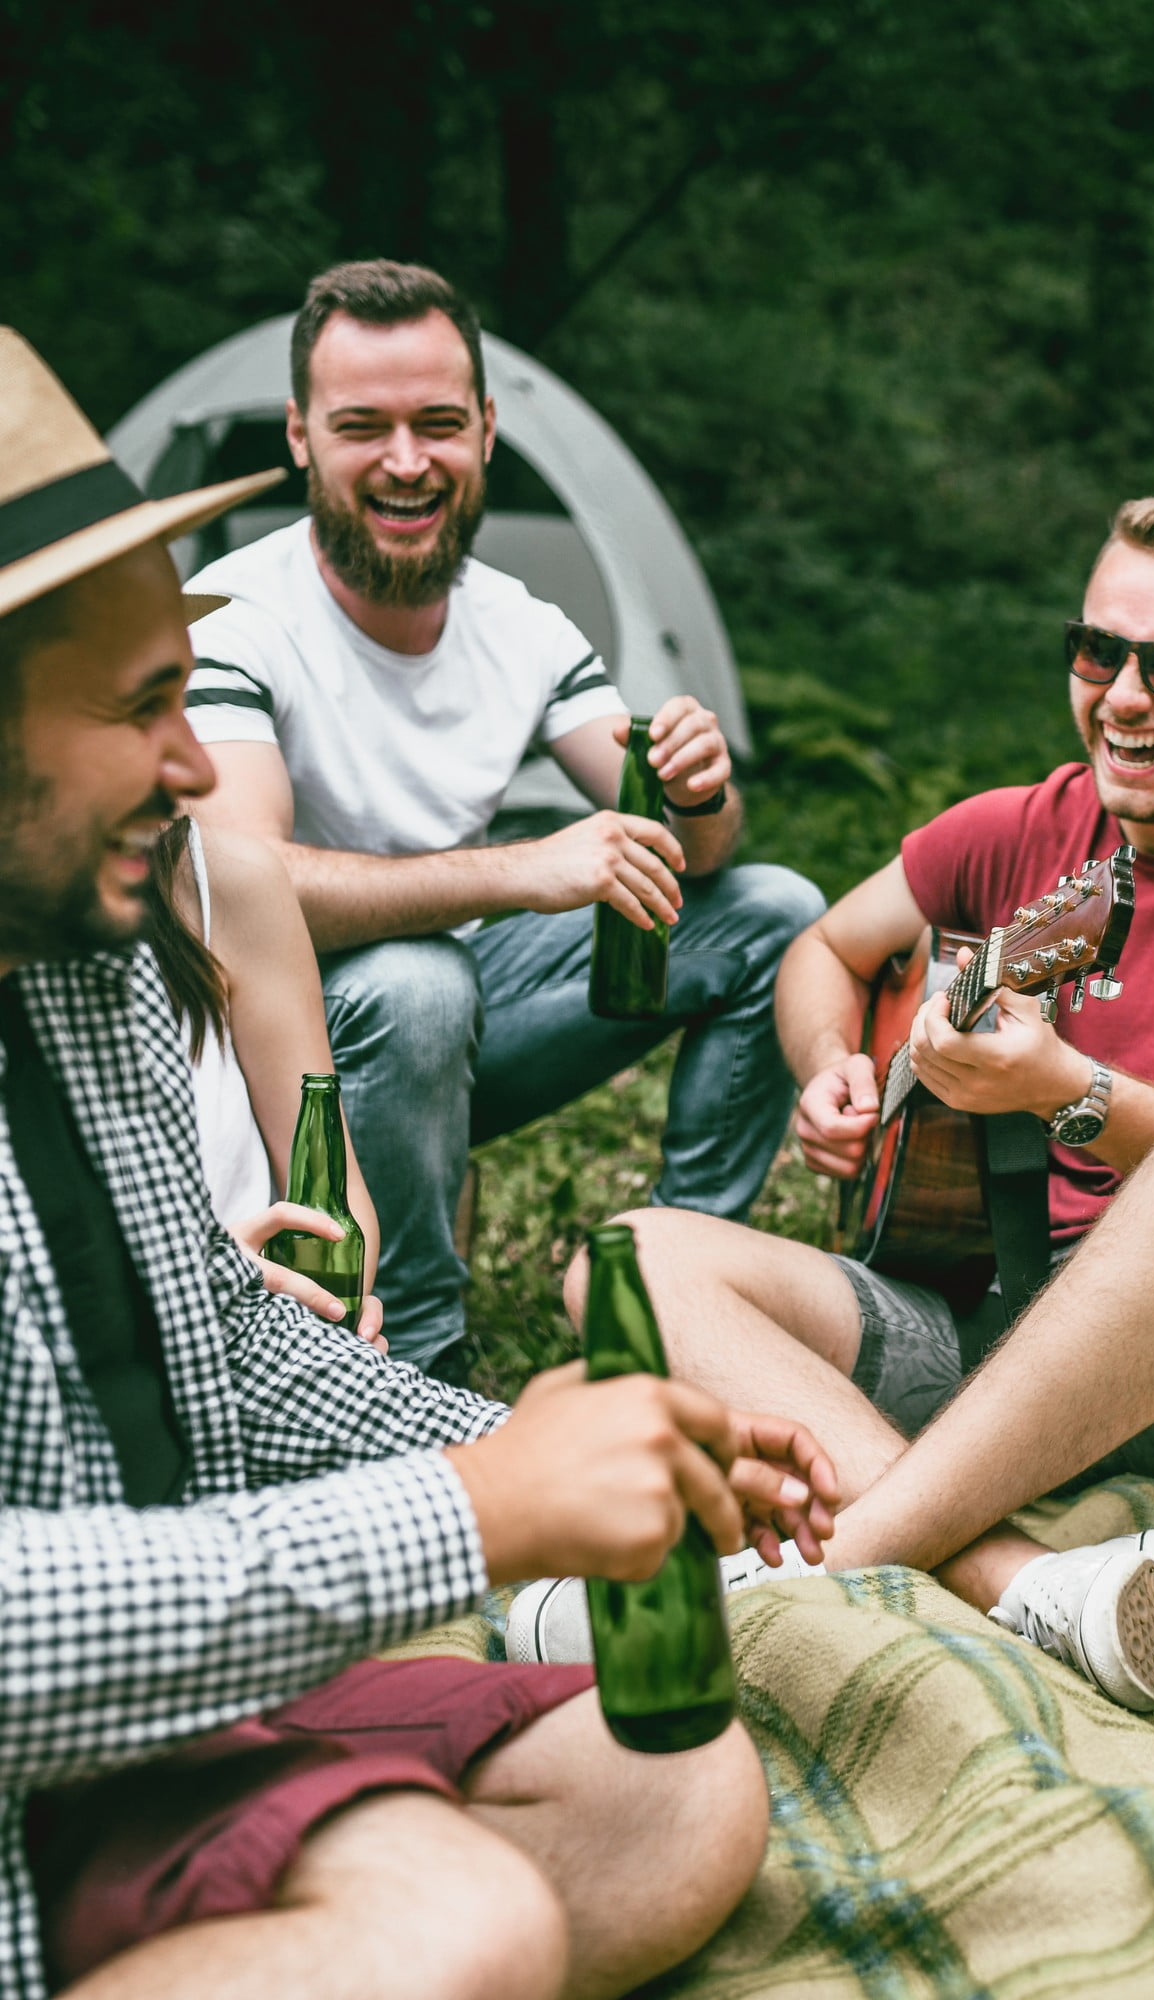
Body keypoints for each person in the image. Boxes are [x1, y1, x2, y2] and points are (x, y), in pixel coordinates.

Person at [0, 326, 838, 2000]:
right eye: (147, 707)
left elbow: (229, 1344)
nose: (190, 774)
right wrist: (466, 1513)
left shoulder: (77, 962)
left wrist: (560, 1440)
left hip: (170, 1709)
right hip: (44, 1753)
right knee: (467, 1924)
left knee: (672, 1788)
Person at [555, 492, 1154, 1715]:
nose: (1123, 695)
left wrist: (1063, 1094)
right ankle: (1025, 1581)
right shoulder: (1025, 828)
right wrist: (831, 1067)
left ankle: (821, 1569)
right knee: (626, 1258)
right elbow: (825, 945)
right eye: (1097, 650)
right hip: (991, 1311)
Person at [182, 257, 825, 1374]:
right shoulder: (235, 616)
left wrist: (696, 787)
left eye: (437, 422)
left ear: (485, 431)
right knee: (416, 981)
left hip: (460, 1021)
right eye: (361, 426)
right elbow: (245, 889)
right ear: (298, 437)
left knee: (772, 911)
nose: (404, 459)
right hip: (279, 1060)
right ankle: (418, 1356)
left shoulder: (520, 625)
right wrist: (522, 870)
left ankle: (672, 1275)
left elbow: (698, 853)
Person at [146, 810, 386, 1345]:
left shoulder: (222, 878)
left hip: (269, 1334)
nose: (196, 760)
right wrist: (212, 1282)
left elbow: (340, 1206)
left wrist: (327, 1309)